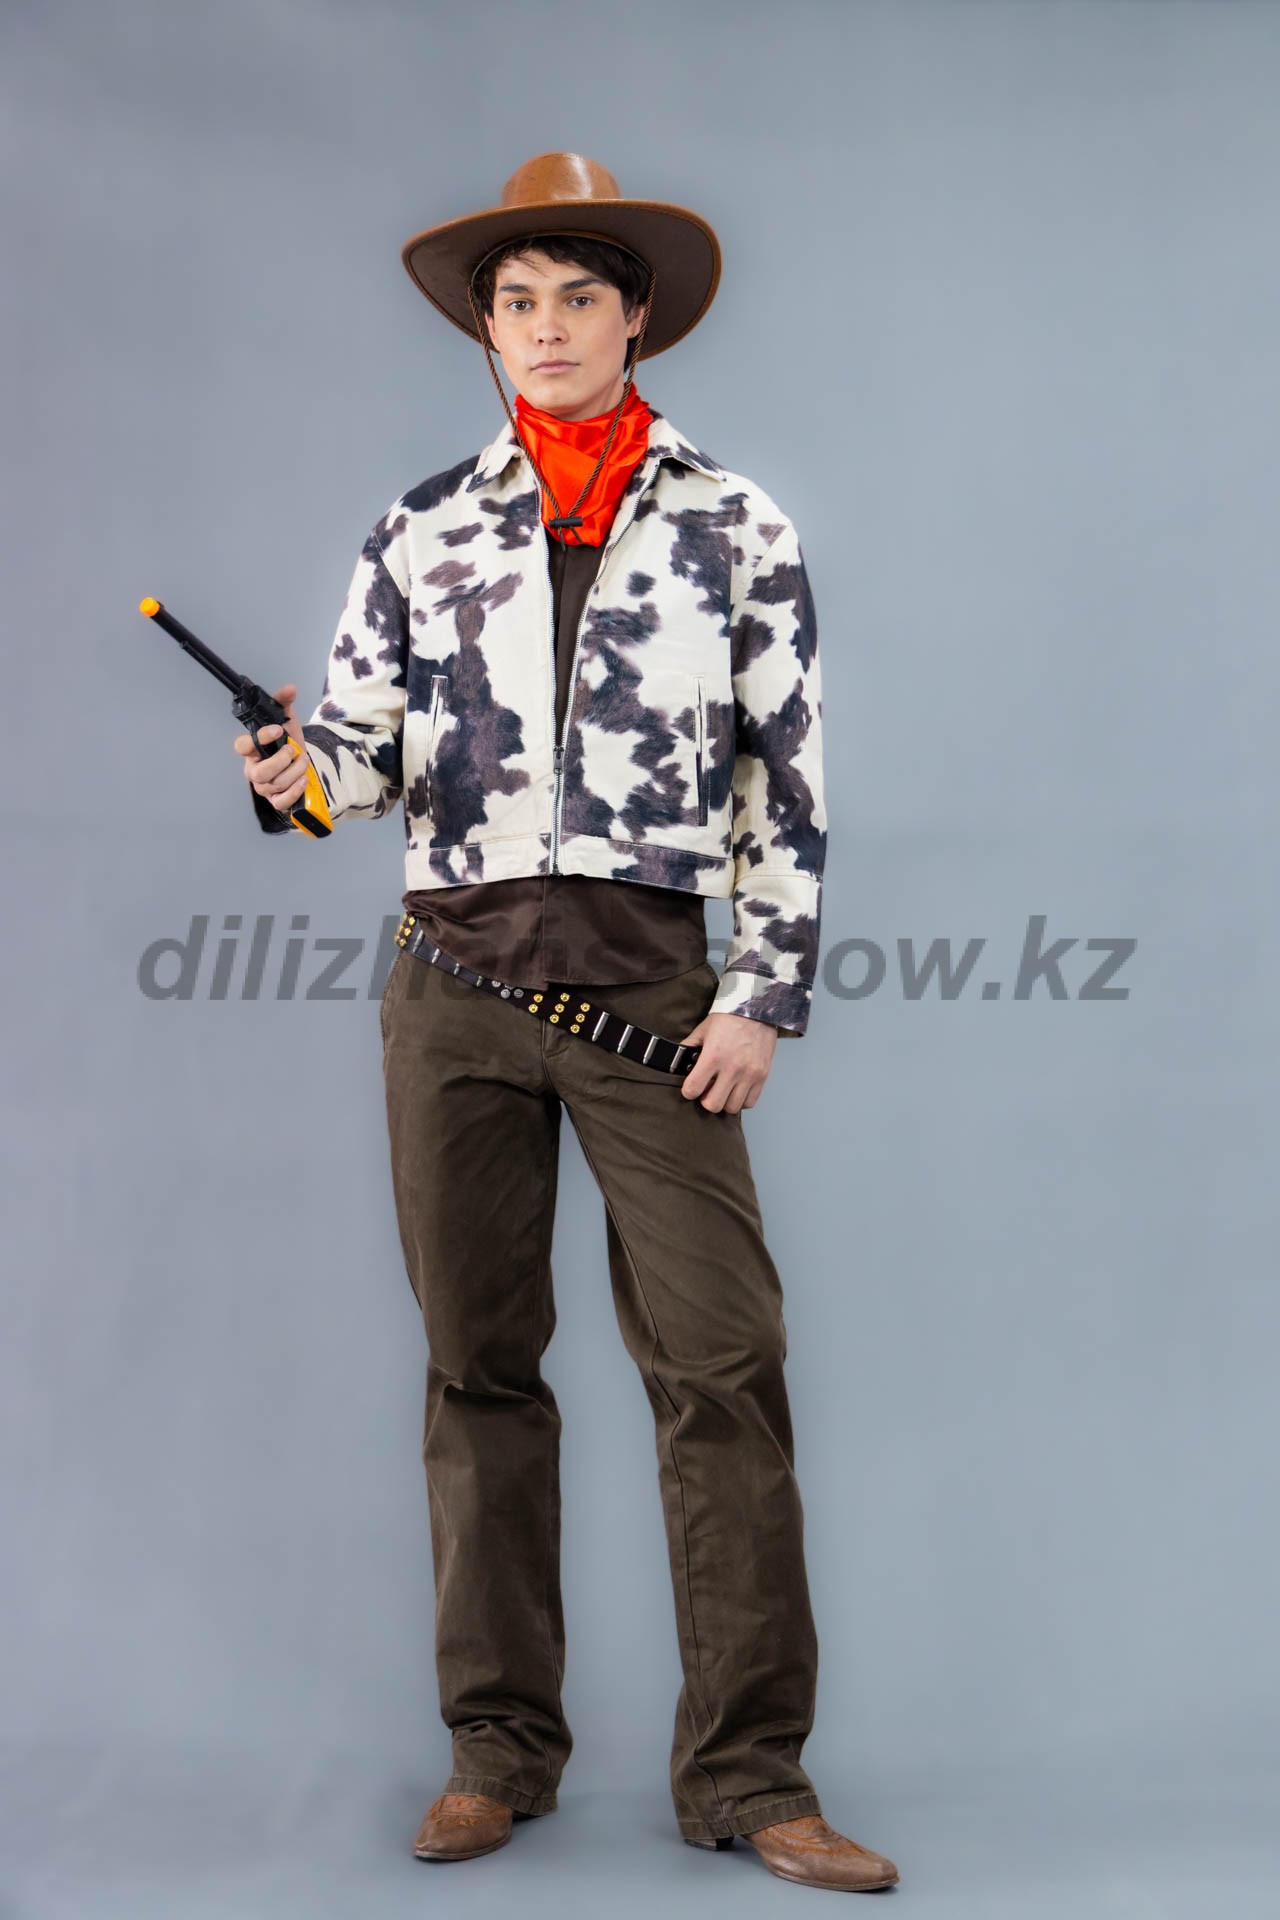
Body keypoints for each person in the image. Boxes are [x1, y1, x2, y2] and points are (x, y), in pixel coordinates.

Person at [234, 152, 899, 1894]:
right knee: (478, 1369)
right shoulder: (421, 527)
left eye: (577, 298)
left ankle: (752, 1777)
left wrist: (761, 995)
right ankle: (497, 1755)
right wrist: (295, 773)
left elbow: (788, 782)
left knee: (723, 1366)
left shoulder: (737, 522)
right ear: (486, 331)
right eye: (515, 302)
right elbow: (362, 761)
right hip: (452, 995)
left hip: (656, 997)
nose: (544, 328)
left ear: (636, 318)